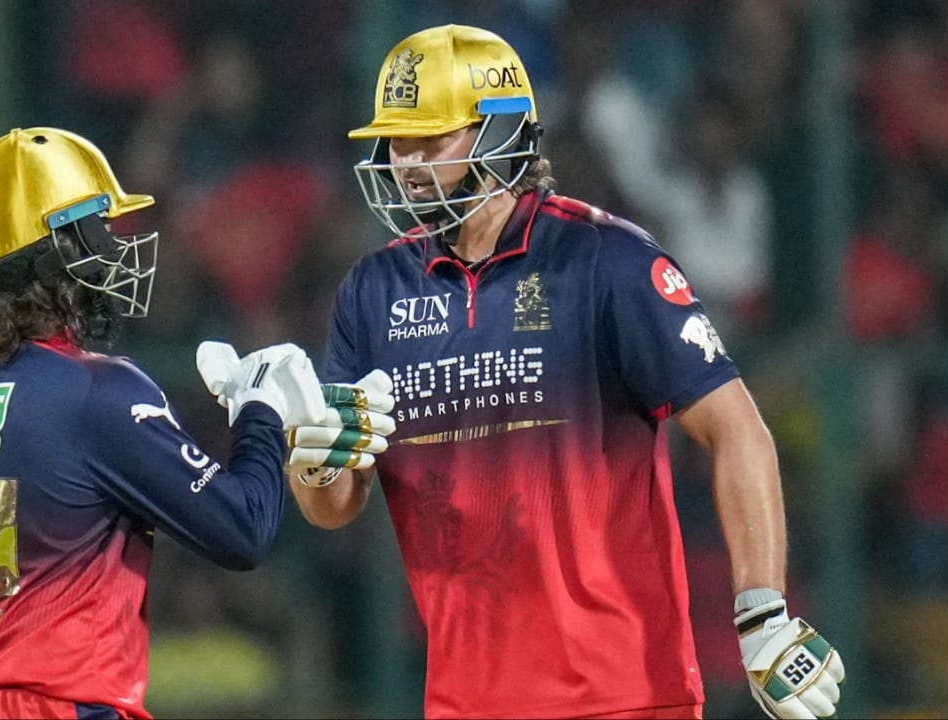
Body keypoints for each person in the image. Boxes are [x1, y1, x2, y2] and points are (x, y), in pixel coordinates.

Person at [287, 25, 846, 719]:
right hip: (464, 704)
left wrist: (762, 616)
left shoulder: (607, 260)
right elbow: (337, 507)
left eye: (431, 140)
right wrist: (314, 464)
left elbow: (739, 433)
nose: (407, 163)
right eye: (398, 141)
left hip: (625, 698)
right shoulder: (372, 291)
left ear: (499, 134)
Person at [0, 127, 328, 719]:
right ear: (56, 252)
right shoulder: (97, 391)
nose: (113, 248)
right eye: (97, 229)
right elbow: (243, 529)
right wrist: (260, 411)